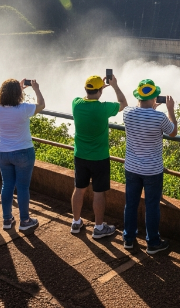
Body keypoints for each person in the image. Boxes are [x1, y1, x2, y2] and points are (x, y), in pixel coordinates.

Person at [122, 79, 177, 254]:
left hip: (131, 167)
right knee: (152, 205)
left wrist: (150, 105)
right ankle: (153, 242)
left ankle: (128, 239)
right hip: (152, 170)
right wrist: (170, 109)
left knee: (131, 203)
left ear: (138, 96)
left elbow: (141, 112)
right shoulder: (159, 117)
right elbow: (173, 131)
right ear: (154, 98)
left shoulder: (127, 113)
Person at [70, 74, 127, 239]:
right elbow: (123, 104)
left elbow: (85, 97)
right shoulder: (103, 108)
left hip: (80, 155)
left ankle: (75, 222)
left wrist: (99, 87)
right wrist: (114, 86)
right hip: (99, 157)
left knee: (79, 189)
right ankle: (99, 227)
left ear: (86, 89)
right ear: (100, 91)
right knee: (99, 192)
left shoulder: (76, 103)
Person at [0, 79, 45, 232]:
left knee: (7, 185)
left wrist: (17, 89)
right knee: (22, 187)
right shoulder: (24, 109)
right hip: (23, 151)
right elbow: (41, 105)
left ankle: (7, 219)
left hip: (3, 152)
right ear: (19, 93)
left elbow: (7, 101)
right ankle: (25, 220)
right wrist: (35, 89)